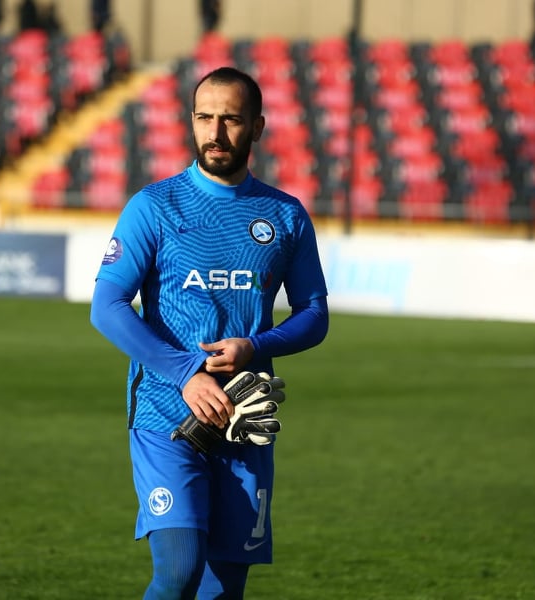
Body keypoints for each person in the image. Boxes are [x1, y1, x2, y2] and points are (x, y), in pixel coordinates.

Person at [90, 66, 329, 599]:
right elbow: (107, 307)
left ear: (257, 127)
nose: (215, 132)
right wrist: (186, 373)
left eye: (231, 120)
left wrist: (256, 346)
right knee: (179, 569)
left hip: (244, 419)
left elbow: (314, 314)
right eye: (204, 118)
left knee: (223, 589)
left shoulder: (285, 215)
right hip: (166, 415)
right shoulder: (155, 206)